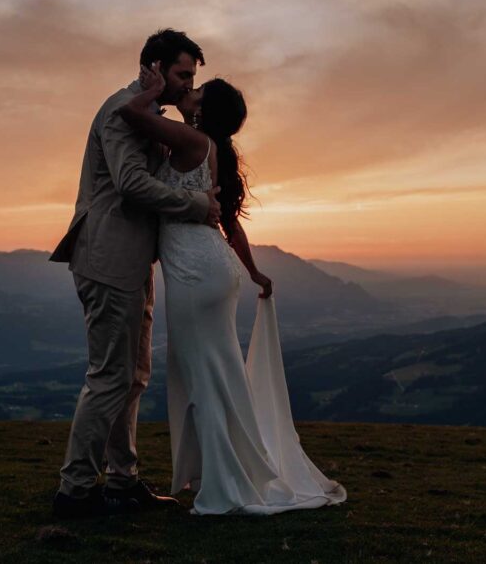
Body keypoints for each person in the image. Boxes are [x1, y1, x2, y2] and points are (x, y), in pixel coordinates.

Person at [117, 64, 347, 515]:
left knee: (204, 377)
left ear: (205, 110)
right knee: (215, 375)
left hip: (195, 272)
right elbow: (229, 222)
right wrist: (255, 272)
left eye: (196, 90)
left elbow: (130, 113)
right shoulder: (208, 146)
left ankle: (223, 485)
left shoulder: (192, 141)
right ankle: (219, 474)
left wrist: (155, 89)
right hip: (210, 268)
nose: (190, 91)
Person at [48, 29, 221, 518]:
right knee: (109, 376)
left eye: (193, 76)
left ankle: (123, 481)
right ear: (155, 68)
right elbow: (129, 183)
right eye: (183, 74)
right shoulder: (120, 112)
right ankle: (75, 490)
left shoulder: (146, 114)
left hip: (131, 261)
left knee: (134, 376)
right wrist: (195, 205)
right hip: (108, 258)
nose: (189, 83)